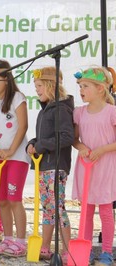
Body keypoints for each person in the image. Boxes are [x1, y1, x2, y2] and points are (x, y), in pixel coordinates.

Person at [0, 60, 30, 257]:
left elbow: (23, 126)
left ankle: (20, 241)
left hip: (16, 157)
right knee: (1, 199)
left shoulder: (18, 97)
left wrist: (10, 150)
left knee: (14, 198)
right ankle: (7, 238)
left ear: (7, 79)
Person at [26, 67, 73, 262]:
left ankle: (67, 250)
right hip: (44, 166)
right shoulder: (45, 110)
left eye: (39, 86)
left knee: (57, 208)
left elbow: (66, 137)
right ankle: (45, 247)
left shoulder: (61, 109)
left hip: (56, 166)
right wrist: (33, 143)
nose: (36, 90)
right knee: (48, 208)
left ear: (50, 85)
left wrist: (41, 146)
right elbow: (43, 136)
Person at [72, 67, 116, 266]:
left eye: (85, 86)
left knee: (106, 210)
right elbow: (74, 139)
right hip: (86, 165)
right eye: (80, 86)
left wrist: (103, 149)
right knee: (86, 211)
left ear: (100, 88)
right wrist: (81, 147)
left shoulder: (111, 112)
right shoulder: (79, 113)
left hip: (105, 165)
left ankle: (107, 252)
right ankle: (86, 249)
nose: (81, 90)